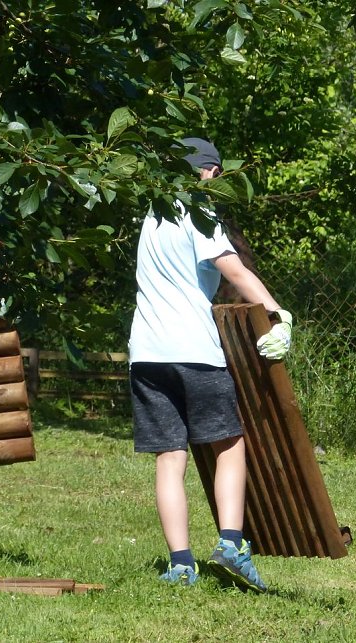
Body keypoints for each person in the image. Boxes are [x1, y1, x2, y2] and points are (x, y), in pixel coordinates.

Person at [128, 137, 293, 592]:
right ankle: (232, 545)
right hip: (194, 351)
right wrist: (279, 315)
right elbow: (234, 270)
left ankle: (181, 565)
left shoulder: (152, 216)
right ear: (210, 174)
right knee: (228, 444)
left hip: (146, 354)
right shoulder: (200, 214)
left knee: (170, 456)